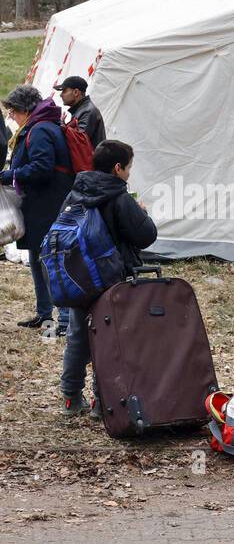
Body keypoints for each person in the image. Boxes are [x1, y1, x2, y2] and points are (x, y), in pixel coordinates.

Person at [58, 140, 157, 417]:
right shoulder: (119, 196)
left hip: (79, 277)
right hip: (112, 279)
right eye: (128, 168)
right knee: (112, 341)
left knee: (78, 337)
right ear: (117, 168)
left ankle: (70, 397)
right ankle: (103, 402)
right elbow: (145, 235)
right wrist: (143, 212)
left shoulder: (76, 192)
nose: (128, 173)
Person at [1, 85, 74, 335]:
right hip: (41, 204)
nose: (11, 116)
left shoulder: (41, 130)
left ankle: (63, 320)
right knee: (36, 259)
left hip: (47, 204)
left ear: (25, 109)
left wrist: (11, 175)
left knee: (49, 262)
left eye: (13, 111)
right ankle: (45, 315)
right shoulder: (41, 125)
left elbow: (42, 168)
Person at [54, 76, 105, 149]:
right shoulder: (82, 109)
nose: (61, 95)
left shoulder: (87, 111)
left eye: (64, 91)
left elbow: (78, 141)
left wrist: (62, 126)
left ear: (76, 92)